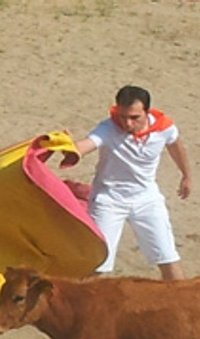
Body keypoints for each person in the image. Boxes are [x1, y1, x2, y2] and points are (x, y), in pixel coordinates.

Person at [74, 85, 193, 280]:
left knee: (168, 258)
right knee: (98, 265)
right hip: (108, 201)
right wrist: (65, 146)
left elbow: (175, 144)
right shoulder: (107, 129)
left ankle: (186, 306)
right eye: (122, 116)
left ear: (147, 112)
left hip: (147, 199)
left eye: (134, 118)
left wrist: (186, 175)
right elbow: (86, 145)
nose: (127, 123)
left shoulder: (164, 128)